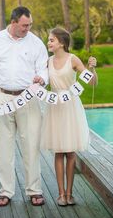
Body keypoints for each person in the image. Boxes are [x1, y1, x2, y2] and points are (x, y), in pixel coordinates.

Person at [0, 6, 49, 206]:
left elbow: (44, 68)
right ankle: (5, 191)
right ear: (13, 22)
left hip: (28, 98)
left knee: (31, 145)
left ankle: (34, 191)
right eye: (24, 25)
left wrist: (42, 79)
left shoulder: (36, 42)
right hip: (2, 97)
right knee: (4, 147)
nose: (27, 28)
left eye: (30, 24)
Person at [41, 27, 97, 206]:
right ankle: (61, 194)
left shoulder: (72, 59)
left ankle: (70, 194)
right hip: (55, 106)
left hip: (70, 106)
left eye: (51, 40)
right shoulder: (47, 61)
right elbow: (41, 82)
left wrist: (92, 69)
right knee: (58, 151)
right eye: (49, 40)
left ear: (62, 43)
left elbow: (92, 81)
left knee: (70, 151)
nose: (49, 42)